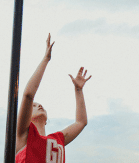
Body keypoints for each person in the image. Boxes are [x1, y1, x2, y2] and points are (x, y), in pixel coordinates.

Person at [15, 34, 91, 163]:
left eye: (39, 105)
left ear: (46, 121)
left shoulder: (56, 140)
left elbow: (81, 122)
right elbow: (28, 95)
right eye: (34, 105)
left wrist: (78, 90)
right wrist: (46, 59)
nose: (39, 106)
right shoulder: (23, 136)